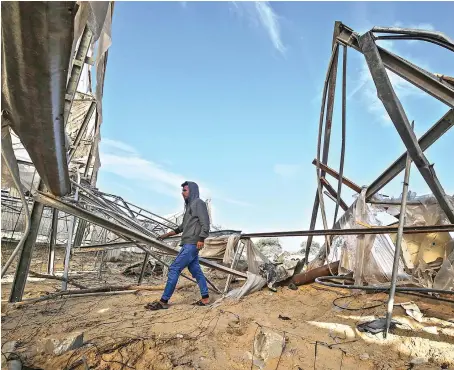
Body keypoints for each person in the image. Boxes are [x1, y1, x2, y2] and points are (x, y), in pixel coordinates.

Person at [146, 181, 210, 310]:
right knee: (196, 270)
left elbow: (205, 223)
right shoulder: (189, 207)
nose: (182, 193)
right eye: (182, 191)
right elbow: (182, 227)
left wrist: (201, 238)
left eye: (185, 190)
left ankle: (164, 301)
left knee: (174, 268)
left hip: (192, 243)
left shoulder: (198, 203)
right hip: (188, 243)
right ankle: (205, 298)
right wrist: (166, 235)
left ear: (192, 191)